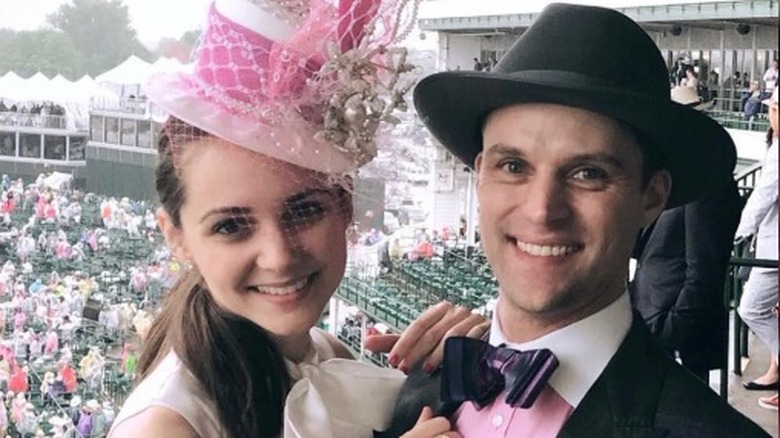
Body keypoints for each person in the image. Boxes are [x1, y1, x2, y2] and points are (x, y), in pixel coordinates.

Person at [380, 4, 769, 437]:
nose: (542, 209)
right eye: (512, 166)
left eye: (589, 174)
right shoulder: (412, 383)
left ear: (652, 196)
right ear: (480, 176)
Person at [108, 1, 486, 437]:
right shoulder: (164, 426)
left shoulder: (330, 356)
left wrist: (443, 373)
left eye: (304, 210)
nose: (278, 256)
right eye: (230, 226)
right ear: (177, 237)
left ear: (344, 207)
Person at [629, 85, 744, 382]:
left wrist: (672, 330)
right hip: (651, 320)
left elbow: (704, 269)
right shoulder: (674, 175)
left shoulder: (708, 183)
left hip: (672, 337)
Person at [735, 87, 778, 412]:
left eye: (773, 108)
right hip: (770, 245)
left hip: (773, 250)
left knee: (752, 309)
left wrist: (738, 233)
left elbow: (764, 195)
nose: (768, 113)